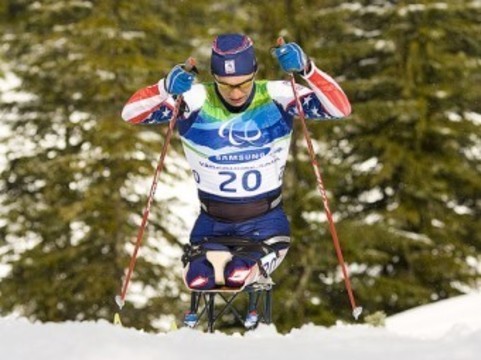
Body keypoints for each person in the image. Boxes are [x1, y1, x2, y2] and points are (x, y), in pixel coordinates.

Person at [121, 33, 351, 327]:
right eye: (225, 84)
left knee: (237, 275)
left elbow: (340, 108)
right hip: (211, 224)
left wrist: (308, 69)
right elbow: (131, 114)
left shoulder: (278, 94)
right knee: (199, 278)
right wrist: (164, 87)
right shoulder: (195, 99)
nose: (236, 92)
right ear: (214, 78)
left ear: (255, 72)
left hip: (265, 223)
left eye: (243, 82)